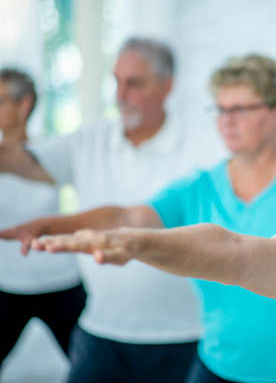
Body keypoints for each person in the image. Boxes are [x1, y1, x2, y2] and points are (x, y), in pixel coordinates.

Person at [1, 54, 276, 383]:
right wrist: (54, 224)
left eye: (240, 109)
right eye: (221, 110)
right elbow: (130, 214)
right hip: (216, 366)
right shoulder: (200, 186)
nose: (227, 121)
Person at [0, 38, 224, 382]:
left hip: (182, 335)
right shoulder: (91, 139)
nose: (120, 94)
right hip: (101, 332)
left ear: (167, 86)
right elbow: (25, 161)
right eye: (117, 82)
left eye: (134, 84)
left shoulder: (205, 144)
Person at [0, 68, 86, 372]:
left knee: (88, 366)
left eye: (1, 101)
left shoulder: (52, 153)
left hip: (60, 281)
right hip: (7, 284)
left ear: (24, 105)